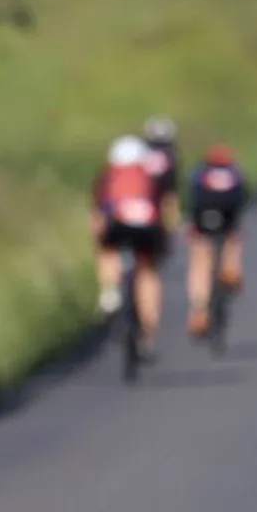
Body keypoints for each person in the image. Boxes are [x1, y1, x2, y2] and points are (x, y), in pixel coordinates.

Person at [90, 134, 167, 357]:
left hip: (117, 224)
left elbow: (97, 215)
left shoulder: (108, 176)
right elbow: (162, 210)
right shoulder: (150, 175)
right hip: (147, 227)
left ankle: (110, 292)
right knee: (148, 271)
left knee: (108, 250)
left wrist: (100, 239)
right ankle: (148, 334)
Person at [184, 143, 248, 340]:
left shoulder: (200, 172)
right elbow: (245, 196)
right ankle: (232, 268)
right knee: (233, 236)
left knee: (200, 258)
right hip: (228, 218)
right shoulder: (234, 172)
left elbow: (190, 198)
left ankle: (198, 312)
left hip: (202, 217)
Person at [141, 115, 182, 236]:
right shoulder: (171, 150)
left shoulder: (146, 148)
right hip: (163, 183)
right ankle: (170, 224)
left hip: (154, 184)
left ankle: (168, 224)